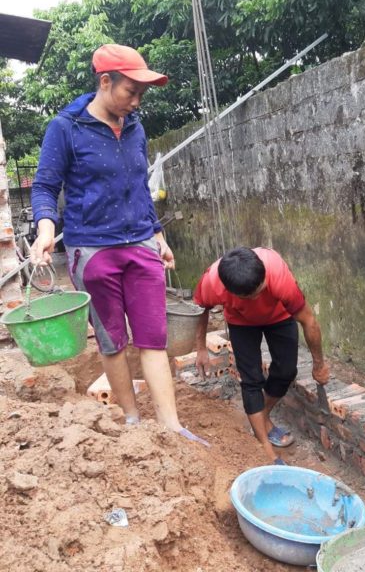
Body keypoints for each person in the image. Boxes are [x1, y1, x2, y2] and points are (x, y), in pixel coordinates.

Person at [30, 44, 205, 445]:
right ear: (105, 82)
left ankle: (172, 427)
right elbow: (44, 186)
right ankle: (131, 422)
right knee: (111, 339)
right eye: (131, 91)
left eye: (142, 93)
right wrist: (44, 230)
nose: (137, 101)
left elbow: (139, 187)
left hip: (140, 245)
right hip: (91, 251)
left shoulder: (134, 125)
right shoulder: (66, 128)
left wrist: (157, 235)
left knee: (152, 338)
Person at [193, 246, 330, 463]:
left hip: (279, 317)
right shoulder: (211, 283)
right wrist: (201, 349)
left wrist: (319, 363)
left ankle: (262, 416)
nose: (264, 289)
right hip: (241, 322)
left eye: (263, 285)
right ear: (234, 293)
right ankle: (265, 447)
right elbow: (201, 310)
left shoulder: (276, 274)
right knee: (251, 381)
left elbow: (309, 320)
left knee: (286, 371)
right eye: (258, 292)